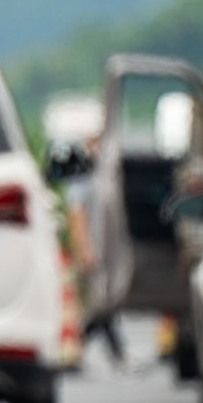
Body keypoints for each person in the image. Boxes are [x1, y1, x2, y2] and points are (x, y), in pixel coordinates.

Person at [64, 136, 127, 367]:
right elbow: (76, 216)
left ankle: (79, 347)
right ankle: (113, 353)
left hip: (102, 251)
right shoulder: (82, 176)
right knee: (100, 305)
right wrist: (84, 249)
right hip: (92, 251)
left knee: (102, 303)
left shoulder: (99, 175)